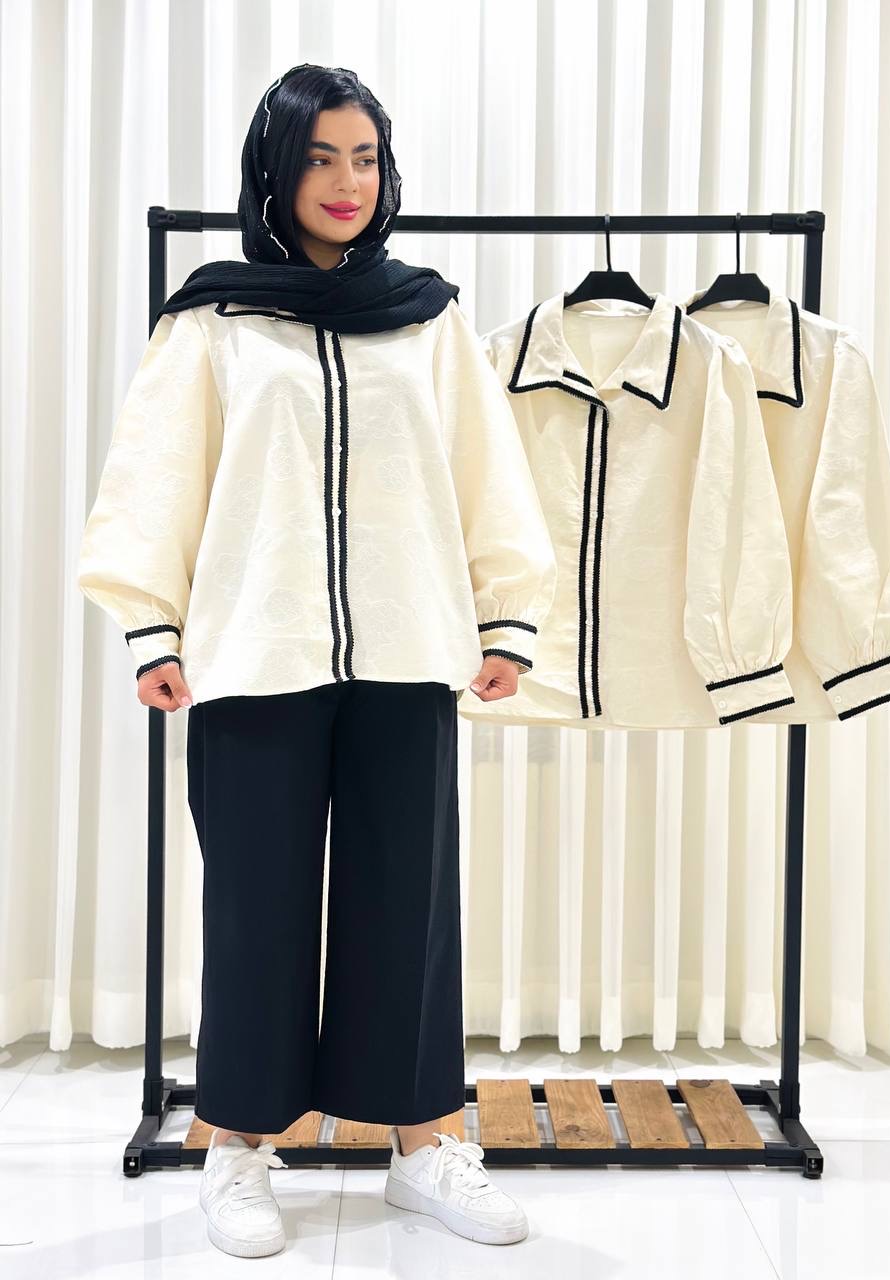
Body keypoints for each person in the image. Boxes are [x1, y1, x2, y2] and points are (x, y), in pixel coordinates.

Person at [77, 64, 556, 1257]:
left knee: (409, 903)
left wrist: (505, 618)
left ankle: (423, 1147)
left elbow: (484, 469)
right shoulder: (213, 319)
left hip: (407, 646)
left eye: (367, 158)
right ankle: (240, 1147)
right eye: (322, 158)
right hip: (254, 649)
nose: (349, 182)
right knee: (256, 908)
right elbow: (156, 476)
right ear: (276, 170)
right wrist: (151, 627)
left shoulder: (428, 316)